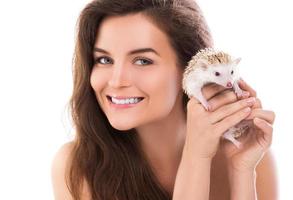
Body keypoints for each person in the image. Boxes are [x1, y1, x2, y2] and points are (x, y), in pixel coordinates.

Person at [51, 0, 278, 199]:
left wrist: (242, 171)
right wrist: (196, 155)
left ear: (189, 68)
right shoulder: (77, 167)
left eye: (142, 61)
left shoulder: (249, 153)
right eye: (103, 60)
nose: (116, 81)